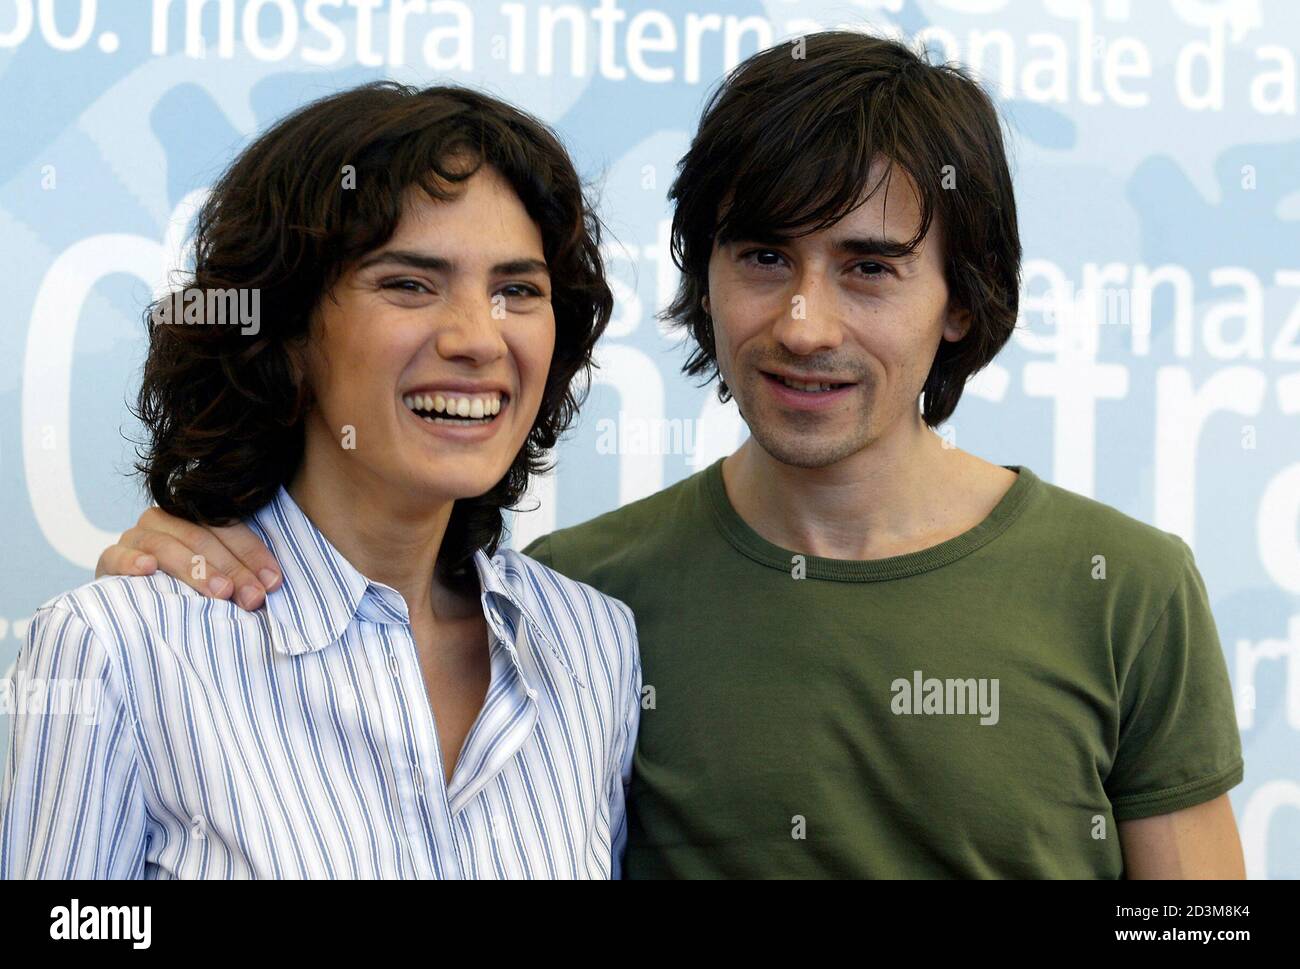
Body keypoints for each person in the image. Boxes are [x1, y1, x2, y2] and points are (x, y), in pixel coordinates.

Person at [89, 33, 1244, 879]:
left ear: (961, 298)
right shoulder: (587, 611)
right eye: (759, 257)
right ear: (702, 277)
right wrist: (179, 575)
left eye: (870, 267)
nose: (802, 323)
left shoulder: (1124, 588)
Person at [0, 82, 640, 879]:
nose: (478, 337)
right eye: (409, 282)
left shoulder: (593, 645)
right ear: (288, 334)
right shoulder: (118, 647)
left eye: (518, 290)